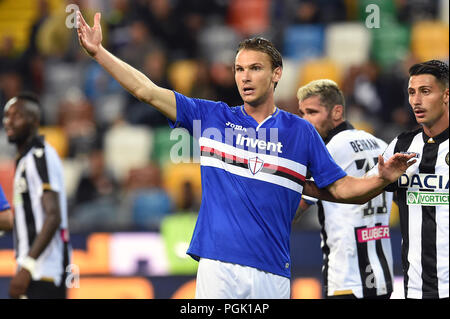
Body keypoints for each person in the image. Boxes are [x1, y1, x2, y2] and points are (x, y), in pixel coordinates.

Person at [76, 11, 415, 299]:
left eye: (255, 68)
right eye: (239, 69)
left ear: (276, 74)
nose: (245, 77)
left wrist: (380, 179)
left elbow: (340, 190)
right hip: (218, 267)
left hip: (273, 270)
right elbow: (145, 90)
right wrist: (99, 52)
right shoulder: (210, 117)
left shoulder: (301, 133)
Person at [295, 79, 394, 299]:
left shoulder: (327, 151)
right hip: (383, 277)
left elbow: (294, 210)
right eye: (302, 113)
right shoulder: (379, 144)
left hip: (346, 279)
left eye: (312, 112)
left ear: (337, 112)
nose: (304, 121)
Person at [376, 60, 448, 299]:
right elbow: (359, 192)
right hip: (414, 289)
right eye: (411, 92)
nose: (416, 100)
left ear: (446, 95)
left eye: (425, 91)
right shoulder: (401, 145)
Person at [2, 92, 71, 299]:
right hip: (35, 271)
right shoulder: (25, 160)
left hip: (44, 272)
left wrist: (27, 267)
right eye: (6, 116)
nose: (9, 122)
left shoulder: (39, 156)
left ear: (34, 121)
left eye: (17, 116)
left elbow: (53, 215)